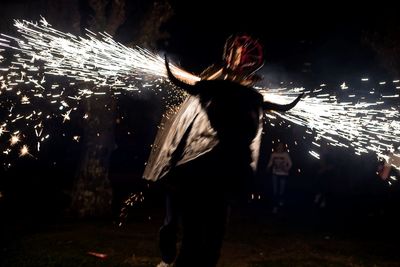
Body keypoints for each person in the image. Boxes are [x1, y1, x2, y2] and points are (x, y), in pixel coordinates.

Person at [144, 34, 265, 267]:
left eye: (243, 54)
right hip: (192, 164)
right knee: (182, 222)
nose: (239, 57)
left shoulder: (250, 88)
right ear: (229, 53)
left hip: (225, 171)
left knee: (212, 236)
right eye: (236, 51)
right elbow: (198, 98)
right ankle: (169, 232)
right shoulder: (212, 74)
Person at [267, 142, 292, 213]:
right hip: (275, 174)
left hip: (283, 174)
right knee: (275, 191)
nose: (280, 147)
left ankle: (280, 203)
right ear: (277, 147)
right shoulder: (273, 154)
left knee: (281, 191)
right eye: (279, 146)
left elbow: (290, 163)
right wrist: (268, 167)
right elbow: (271, 162)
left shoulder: (285, 154)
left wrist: (286, 169)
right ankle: (275, 206)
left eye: (282, 146)